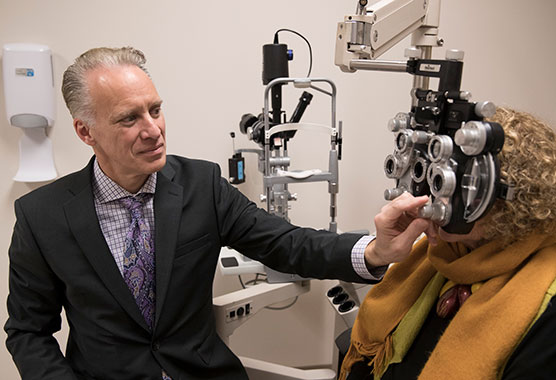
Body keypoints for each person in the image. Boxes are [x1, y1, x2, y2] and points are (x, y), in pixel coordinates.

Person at [4, 47, 436, 380]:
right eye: (128, 119)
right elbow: (28, 332)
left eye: (155, 109)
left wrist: (375, 252)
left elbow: (286, 244)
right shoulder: (42, 217)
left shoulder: (201, 185)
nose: (153, 130)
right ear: (86, 131)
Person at [340, 108, 556, 380]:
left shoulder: (546, 304)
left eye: (461, 186)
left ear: (515, 202)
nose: (437, 196)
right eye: (439, 177)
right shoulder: (442, 255)